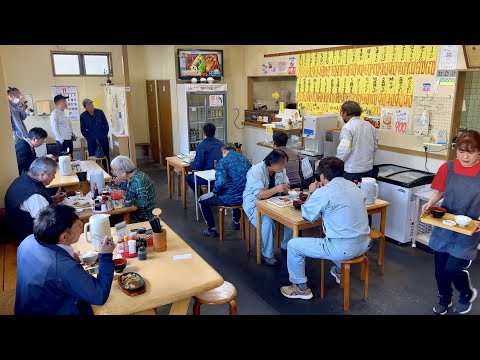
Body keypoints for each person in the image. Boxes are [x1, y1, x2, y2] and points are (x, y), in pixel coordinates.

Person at [280, 157, 372, 300]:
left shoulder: (324, 192)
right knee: (336, 236)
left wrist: (312, 192)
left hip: (343, 249)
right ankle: (340, 272)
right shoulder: (354, 187)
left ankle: (301, 288)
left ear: (322, 176)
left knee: (293, 245)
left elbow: (307, 215)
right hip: (365, 244)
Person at [15, 204, 115, 315]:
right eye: (78, 225)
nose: (82, 224)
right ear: (64, 237)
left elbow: (49, 272)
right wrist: (106, 255)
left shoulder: (27, 241)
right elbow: (99, 295)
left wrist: (68, 260)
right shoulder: (64, 267)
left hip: (30, 307)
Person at [422, 130, 480, 315]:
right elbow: (440, 190)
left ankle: (466, 293)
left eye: (470, 152)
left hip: (469, 229)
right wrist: (430, 204)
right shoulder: (448, 168)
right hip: (445, 226)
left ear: (479, 152)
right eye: (461, 151)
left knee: (453, 267)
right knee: (440, 269)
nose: (465, 156)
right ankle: (444, 299)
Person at [243, 149, 293, 266]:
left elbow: (286, 184)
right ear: (272, 163)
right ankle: (268, 254)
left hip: (275, 201)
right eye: (282, 164)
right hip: (255, 202)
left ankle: (286, 246)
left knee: (291, 217)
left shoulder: (281, 170)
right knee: (267, 222)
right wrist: (277, 189)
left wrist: (288, 189)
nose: (284, 167)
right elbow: (259, 194)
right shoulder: (256, 171)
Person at [5, 156, 65, 244]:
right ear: (42, 175)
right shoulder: (35, 195)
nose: (54, 178)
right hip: (28, 238)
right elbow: (47, 223)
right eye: (53, 175)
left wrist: (52, 199)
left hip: (16, 230)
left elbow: (29, 205)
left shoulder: (21, 180)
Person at [199, 144, 252, 237]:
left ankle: (211, 229)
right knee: (237, 190)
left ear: (224, 151)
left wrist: (215, 192)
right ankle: (236, 221)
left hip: (228, 198)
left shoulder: (223, 162)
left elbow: (220, 182)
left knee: (202, 200)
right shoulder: (245, 160)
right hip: (245, 197)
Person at [336, 101, 378, 182]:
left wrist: (336, 164)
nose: (342, 115)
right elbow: (375, 147)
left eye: (342, 113)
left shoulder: (348, 127)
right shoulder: (369, 126)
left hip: (352, 171)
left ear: (346, 113)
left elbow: (344, 150)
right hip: (368, 169)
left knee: (350, 193)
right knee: (364, 193)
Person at [110, 156, 156, 223]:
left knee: (112, 219)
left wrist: (128, 199)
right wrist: (117, 183)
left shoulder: (140, 180)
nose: (114, 174)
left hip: (142, 216)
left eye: (115, 171)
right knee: (111, 216)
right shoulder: (129, 177)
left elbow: (144, 203)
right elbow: (126, 187)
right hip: (133, 211)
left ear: (123, 173)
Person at [186, 123, 223, 191]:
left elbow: (198, 166)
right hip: (221, 176)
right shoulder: (221, 144)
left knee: (189, 178)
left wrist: (191, 163)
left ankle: (200, 195)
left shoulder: (201, 146)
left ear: (204, 133)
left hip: (207, 177)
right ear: (214, 132)